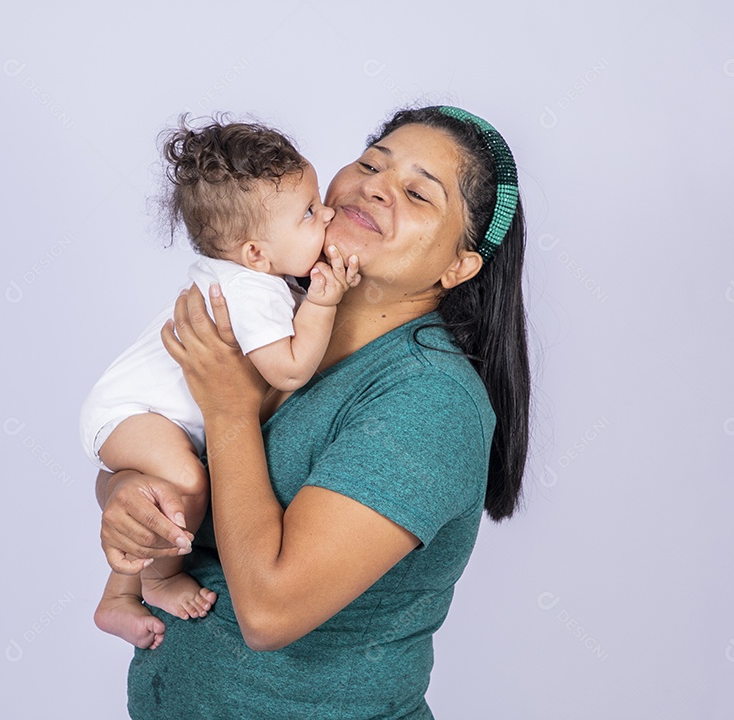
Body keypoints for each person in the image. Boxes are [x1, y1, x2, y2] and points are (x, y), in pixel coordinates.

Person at [95, 105, 531, 719]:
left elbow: (271, 613)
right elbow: (160, 447)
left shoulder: (429, 399)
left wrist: (229, 412)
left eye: (415, 193)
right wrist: (126, 492)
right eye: (369, 163)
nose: (375, 186)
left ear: (458, 265)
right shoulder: (268, 319)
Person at [79, 119, 361, 650]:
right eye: (308, 213)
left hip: (133, 410)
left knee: (157, 495)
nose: (325, 214)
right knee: (185, 486)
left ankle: (116, 597)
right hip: (135, 409)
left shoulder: (253, 278)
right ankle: (154, 581)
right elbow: (291, 369)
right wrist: (324, 302)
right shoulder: (255, 293)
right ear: (256, 253)